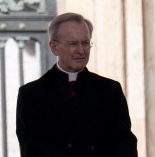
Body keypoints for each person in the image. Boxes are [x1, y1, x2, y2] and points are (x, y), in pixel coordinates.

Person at [16, 12, 138, 157]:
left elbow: (124, 143)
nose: (81, 51)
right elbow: (34, 147)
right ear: (54, 47)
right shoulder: (32, 94)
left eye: (85, 43)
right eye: (73, 44)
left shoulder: (110, 90)